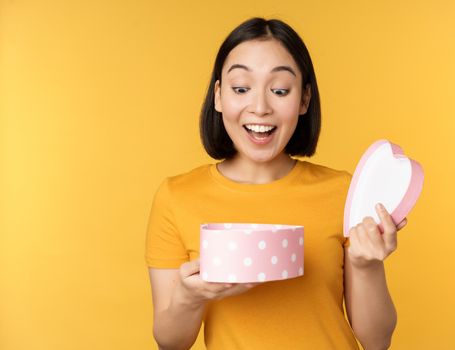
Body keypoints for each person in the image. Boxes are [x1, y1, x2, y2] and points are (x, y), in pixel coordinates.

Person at [145, 17, 407, 350]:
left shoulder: (344, 191)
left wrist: (366, 263)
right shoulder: (177, 197)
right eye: (241, 88)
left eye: (280, 90)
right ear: (219, 96)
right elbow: (170, 342)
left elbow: (377, 340)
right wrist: (188, 296)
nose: (260, 107)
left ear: (304, 100)